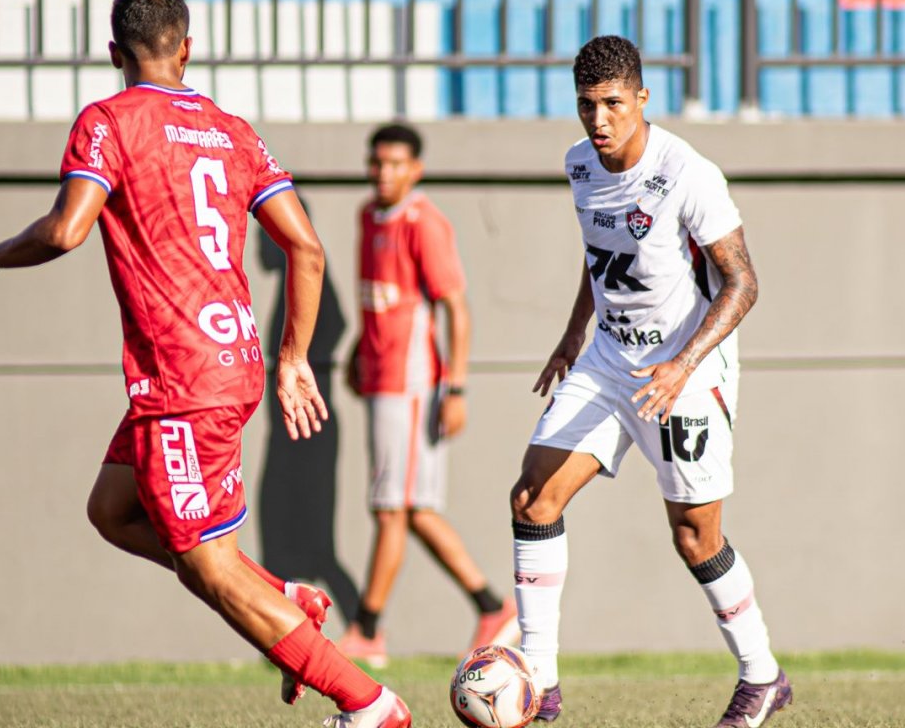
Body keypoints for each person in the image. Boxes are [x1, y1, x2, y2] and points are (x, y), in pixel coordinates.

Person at [0, 0, 410, 727]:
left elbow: (66, 231)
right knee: (112, 509)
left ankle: (369, 703)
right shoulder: (232, 129)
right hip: (234, 365)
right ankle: (289, 599)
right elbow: (307, 249)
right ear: (186, 48)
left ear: (113, 54)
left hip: (183, 381)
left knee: (209, 567)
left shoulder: (107, 121)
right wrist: (293, 360)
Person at [509, 36, 793, 727]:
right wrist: (575, 332)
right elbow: (600, 254)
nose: (598, 120)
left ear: (641, 99)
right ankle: (539, 683)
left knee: (695, 537)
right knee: (532, 498)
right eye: (586, 105)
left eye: (612, 103)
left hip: (686, 372)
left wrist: (683, 363)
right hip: (608, 361)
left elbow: (744, 283)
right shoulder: (580, 164)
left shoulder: (687, 173)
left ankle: (762, 675)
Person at [336, 123, 518, 667]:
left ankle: (368, 630)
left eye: (395, 163)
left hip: (413, 385)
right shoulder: (367, 216)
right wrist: (355, 355)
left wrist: (455, 388)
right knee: (410, 510)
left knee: (393, 509)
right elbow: (379, 302)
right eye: (377, 162)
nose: (384, 172)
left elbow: (455, 309)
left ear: (416, 168)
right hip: (380, 380)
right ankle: (492, 607)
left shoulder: (425, 222)